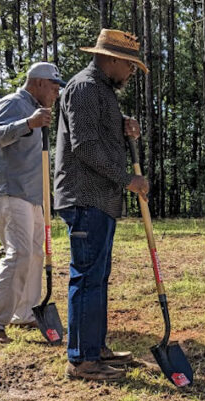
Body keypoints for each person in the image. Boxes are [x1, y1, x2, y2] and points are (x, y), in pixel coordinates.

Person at [54, 29, 149, 381]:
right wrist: (129, 180)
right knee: (86, 277)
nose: (131, 74)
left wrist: (123, 127)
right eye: (130, 67)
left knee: (97, 277)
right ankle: (81, 359)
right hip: (84, 198)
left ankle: (95, 348)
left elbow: (99, 137)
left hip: (100, 201)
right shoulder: (84, 87)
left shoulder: (103, 91)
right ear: (112, 59)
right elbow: (85, 147)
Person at [0, 62, 66, 343]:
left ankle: (25, 312)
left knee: (36, 254)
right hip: (10, 190)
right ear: (38, 83)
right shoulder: (14, 103)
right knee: (19, 254)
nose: (56, 93)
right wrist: (28, 123)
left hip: (33, 196)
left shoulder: (40, 111)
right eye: (54, 87)